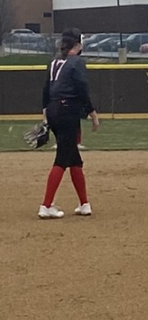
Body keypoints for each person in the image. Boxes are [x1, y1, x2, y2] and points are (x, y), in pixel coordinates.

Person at [38, 28, 99, 219]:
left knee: (74, 159)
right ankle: (46, 205)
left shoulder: (55, 62)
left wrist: (45, 110)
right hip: (68, 111)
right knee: (63, 158)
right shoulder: (77, 62)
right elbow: (82, 88)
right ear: (78, 45)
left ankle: (84, 204)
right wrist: (92, 111)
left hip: (54, 109)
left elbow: (46, 88)